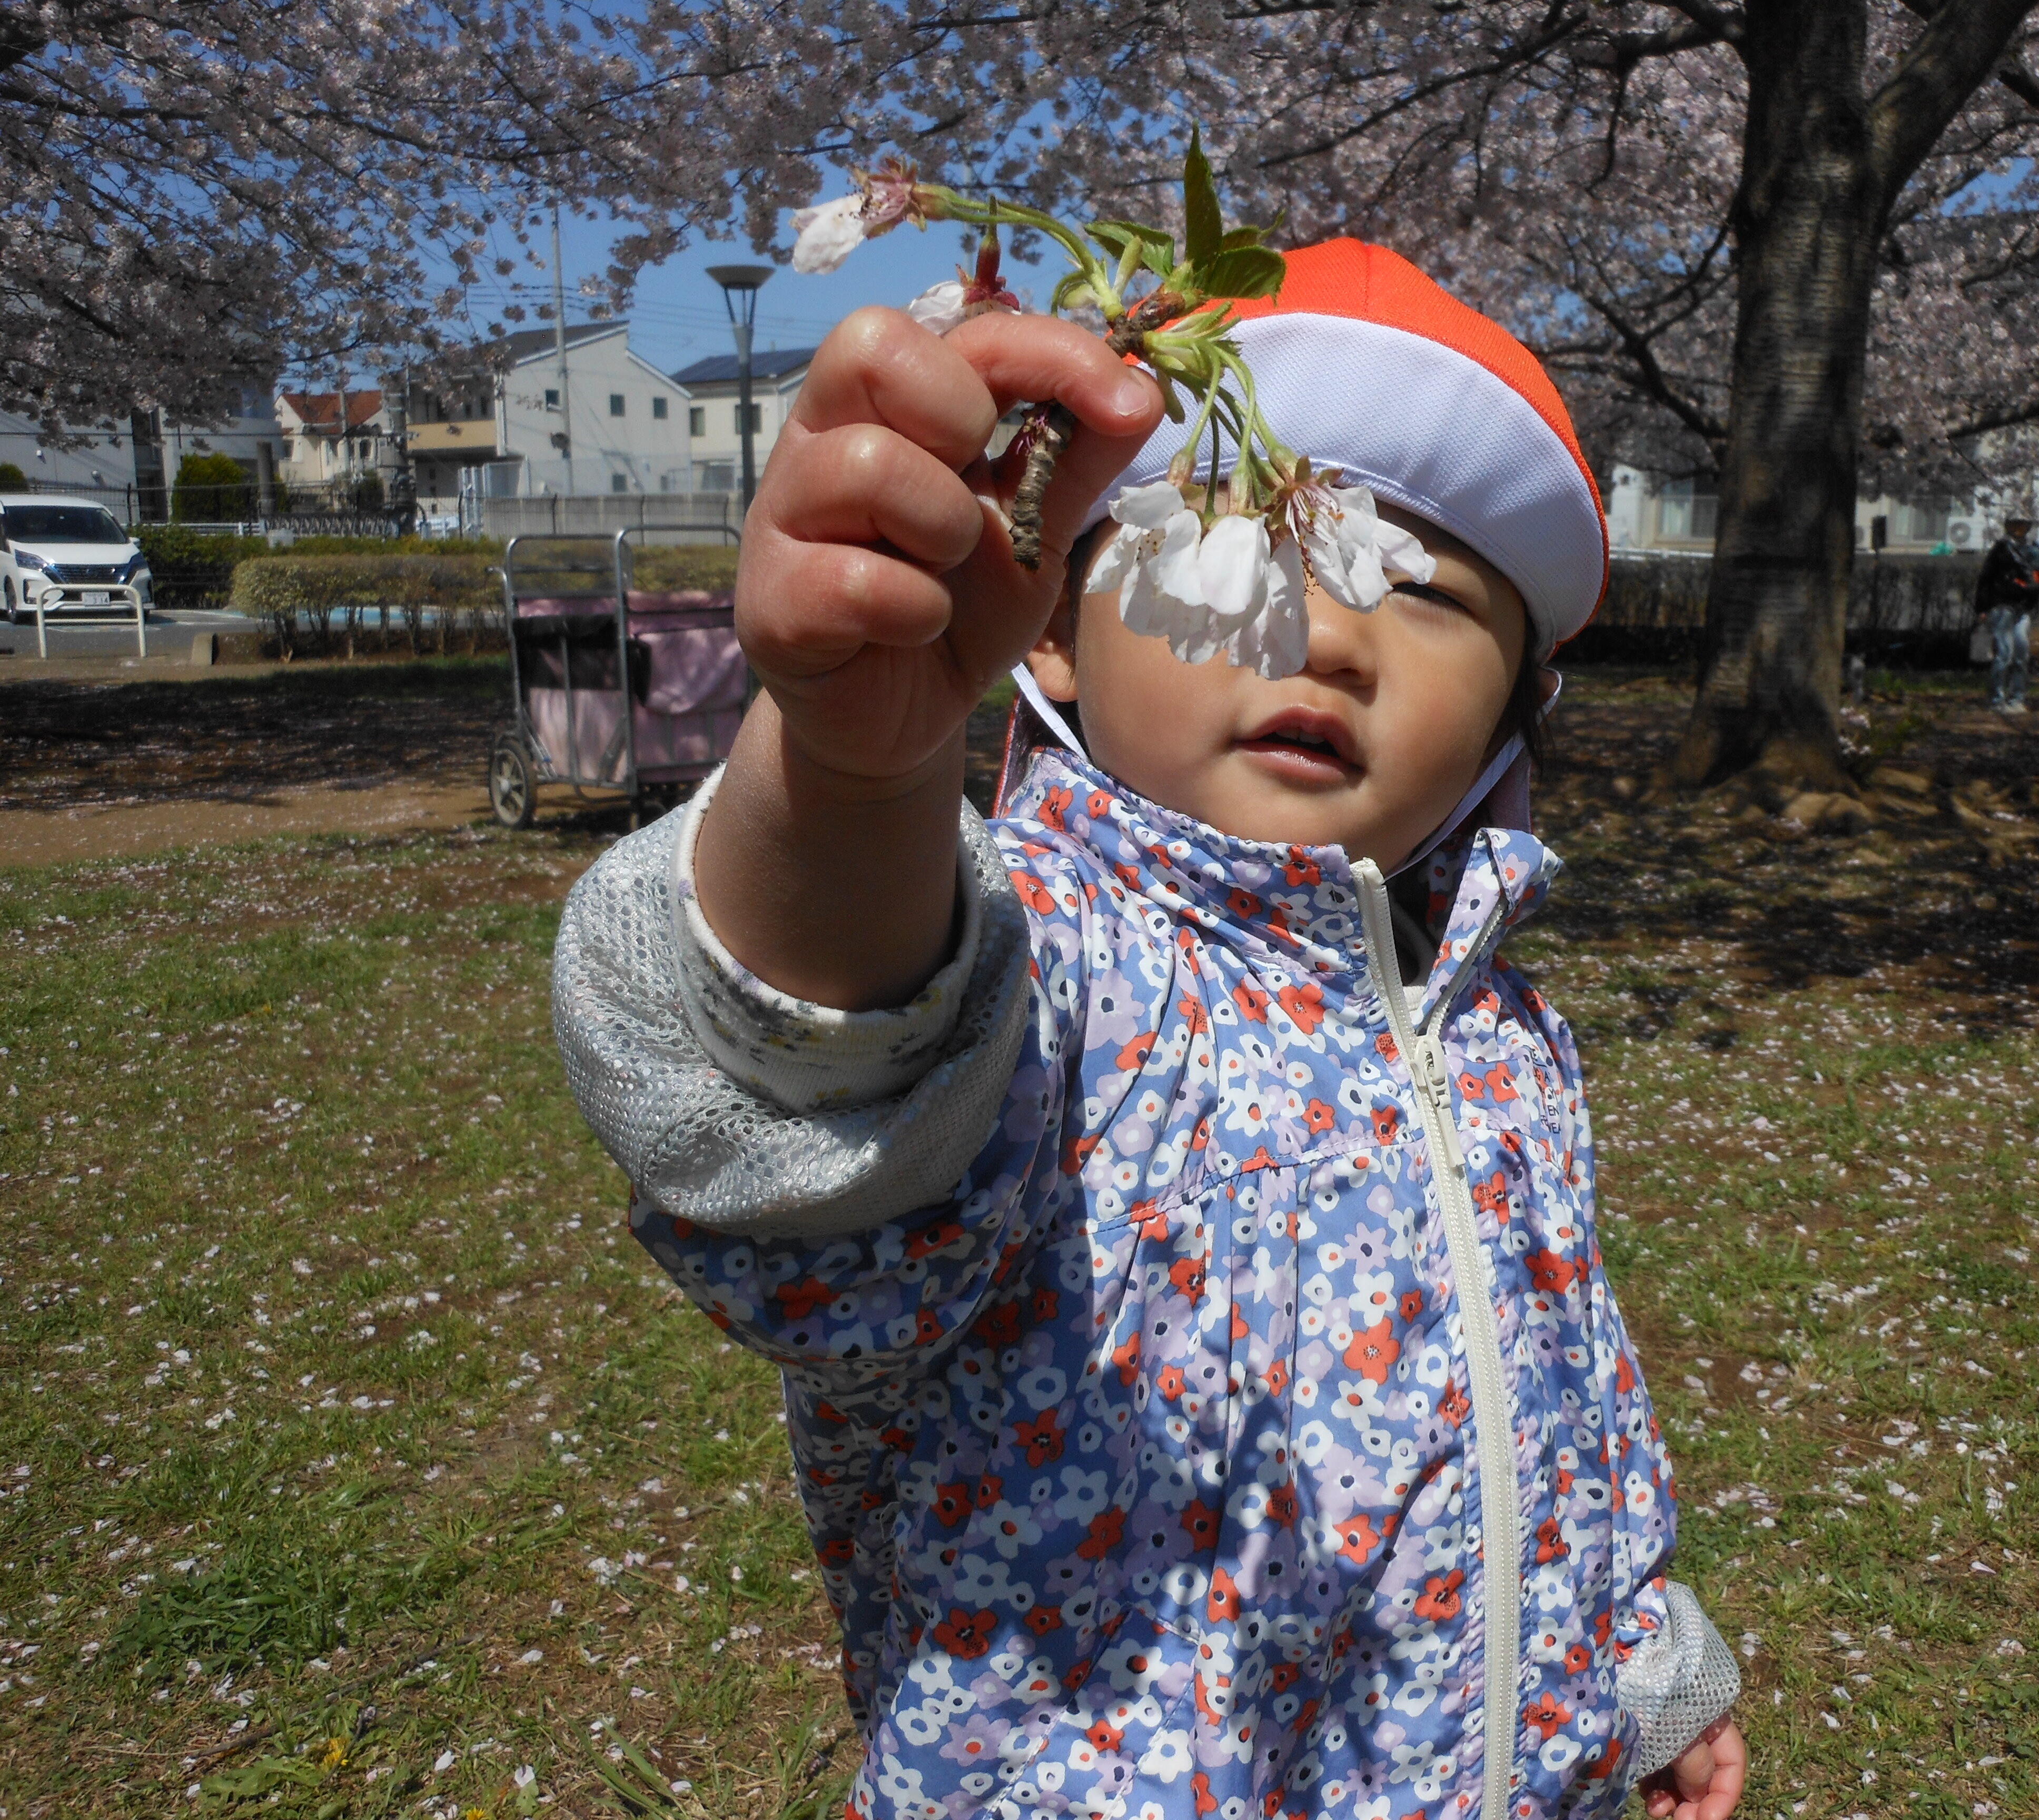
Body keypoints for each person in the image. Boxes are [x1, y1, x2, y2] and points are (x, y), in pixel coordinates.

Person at [555, 239, 1747, 1820]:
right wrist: (846, 786)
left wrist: (1641, 1663)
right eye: (1239, 546)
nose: (1329, 632)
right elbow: (804, 1074)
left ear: (1510, 721)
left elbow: (1558, 1368)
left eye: (1435, 592)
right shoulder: (1047, 968)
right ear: (1050, 629)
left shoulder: (1499, 1027)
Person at [1973, 511, 2039, 714]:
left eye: (2024, 525)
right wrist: (1983, 608)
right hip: (2002, 606)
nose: (2020, 529)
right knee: (2004, 653)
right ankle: (1996, 699)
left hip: (2024, 608)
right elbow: (1985, 580)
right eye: (2016, 524)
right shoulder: (2002, 549)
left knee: (2021, 653)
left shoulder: (2036, 550)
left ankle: (2017, 698)